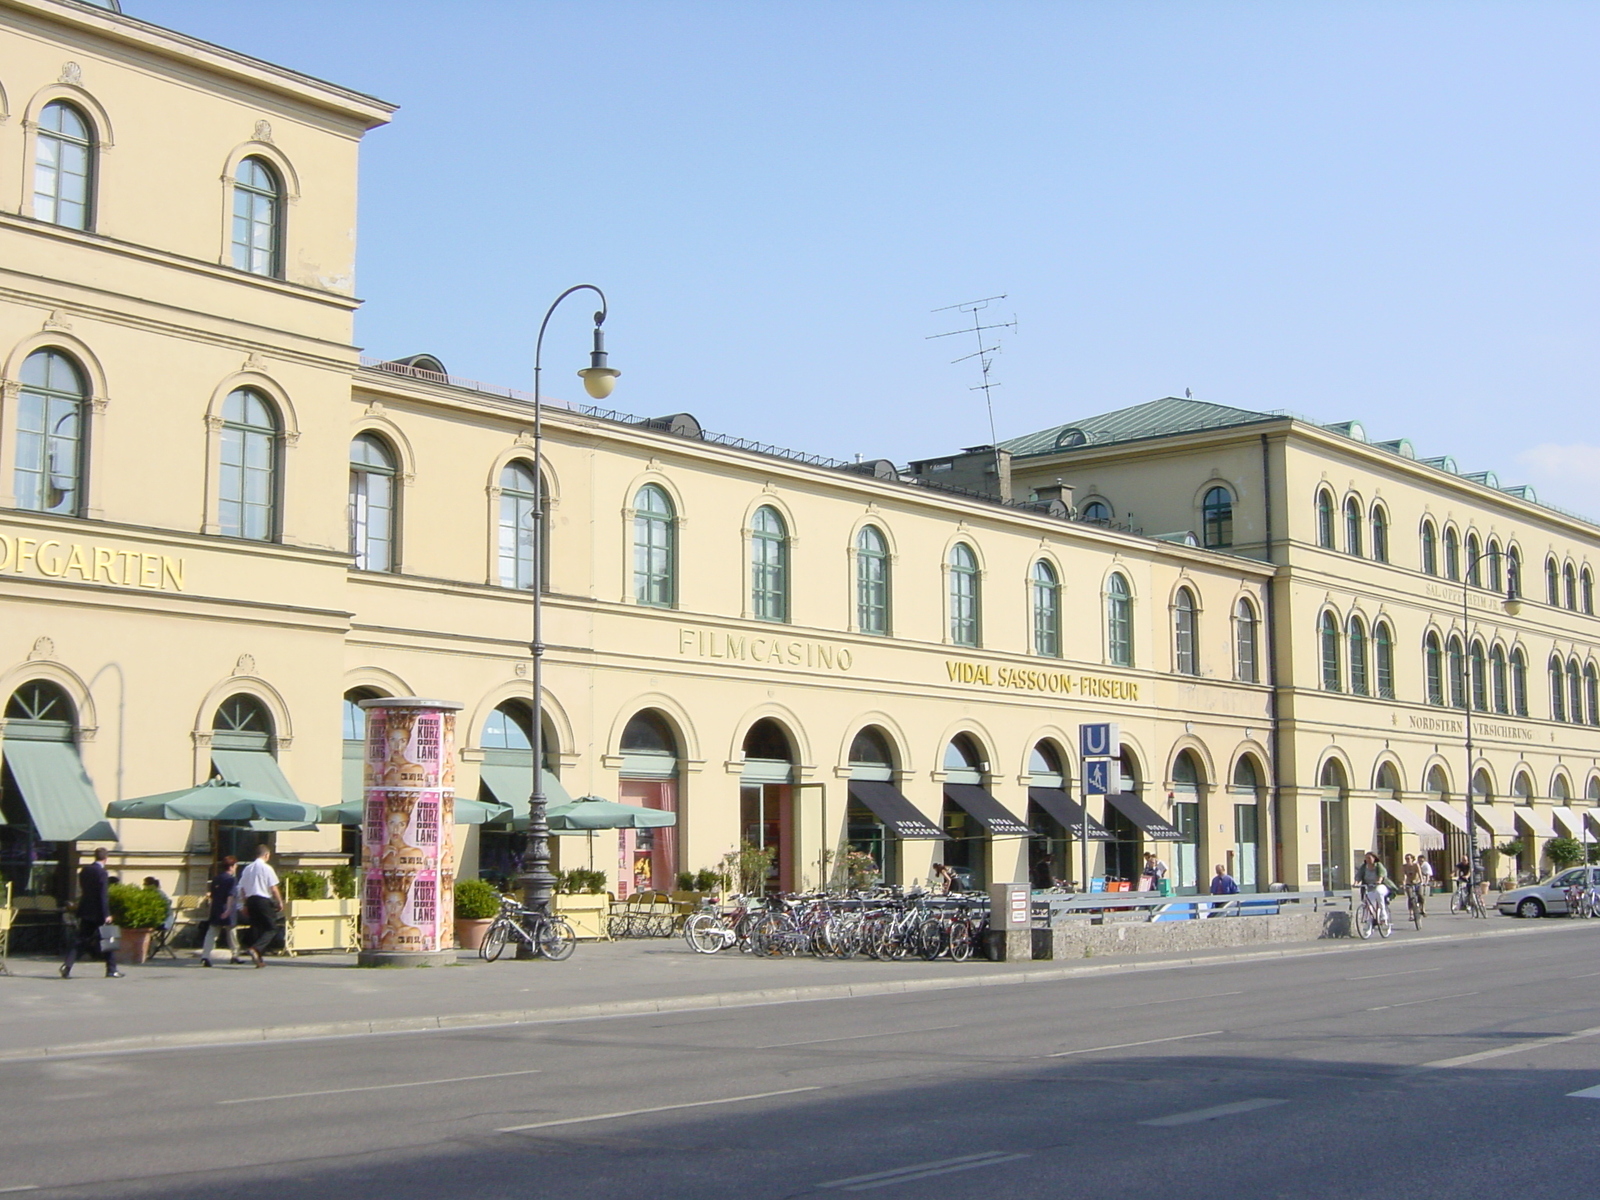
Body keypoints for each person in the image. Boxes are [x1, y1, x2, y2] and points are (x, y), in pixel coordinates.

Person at [60, 847, 122, 979]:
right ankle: (111, 969)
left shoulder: (84, 870)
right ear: (106, 858)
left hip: (86, 910)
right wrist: (106, 914)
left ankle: (67, 965)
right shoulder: (102, 873)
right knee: (109, 939)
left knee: (80, 940)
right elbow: (102, 895)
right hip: (99, 912)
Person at [236, 844, 282, 968]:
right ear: (266, 855)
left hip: (251, 900)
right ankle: (256, 949)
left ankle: (259, 959)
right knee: (272, 928)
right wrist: (279, 901)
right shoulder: (267, 868)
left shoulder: (247, 869)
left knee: (257, 927)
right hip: (263, 900)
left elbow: (241, 889)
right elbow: (273, 887)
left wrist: (244, 904)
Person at [199, 856, 242, 966]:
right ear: (232, 867)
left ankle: (205, 956)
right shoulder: (232, 879)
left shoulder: (216, 878)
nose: (236, 867)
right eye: (235, 865)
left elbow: (212, 894)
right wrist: (228, 909)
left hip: (216, 908)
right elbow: (230, 896)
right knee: (232, 933)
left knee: (212, 932)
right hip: (228, 909)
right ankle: (235, 955)